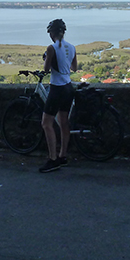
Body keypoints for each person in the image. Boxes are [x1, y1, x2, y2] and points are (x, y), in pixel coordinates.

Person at [39, 19, 77, 173]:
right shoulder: (72, 47)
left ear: (52, 33)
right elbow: (74, 68)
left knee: (46, 123)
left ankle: (52, 159)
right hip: (68, 87)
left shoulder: (51, 48)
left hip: (57, 89)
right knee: (63, 122)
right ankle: (63, 156)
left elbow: (46, 69)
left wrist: (47, 58)